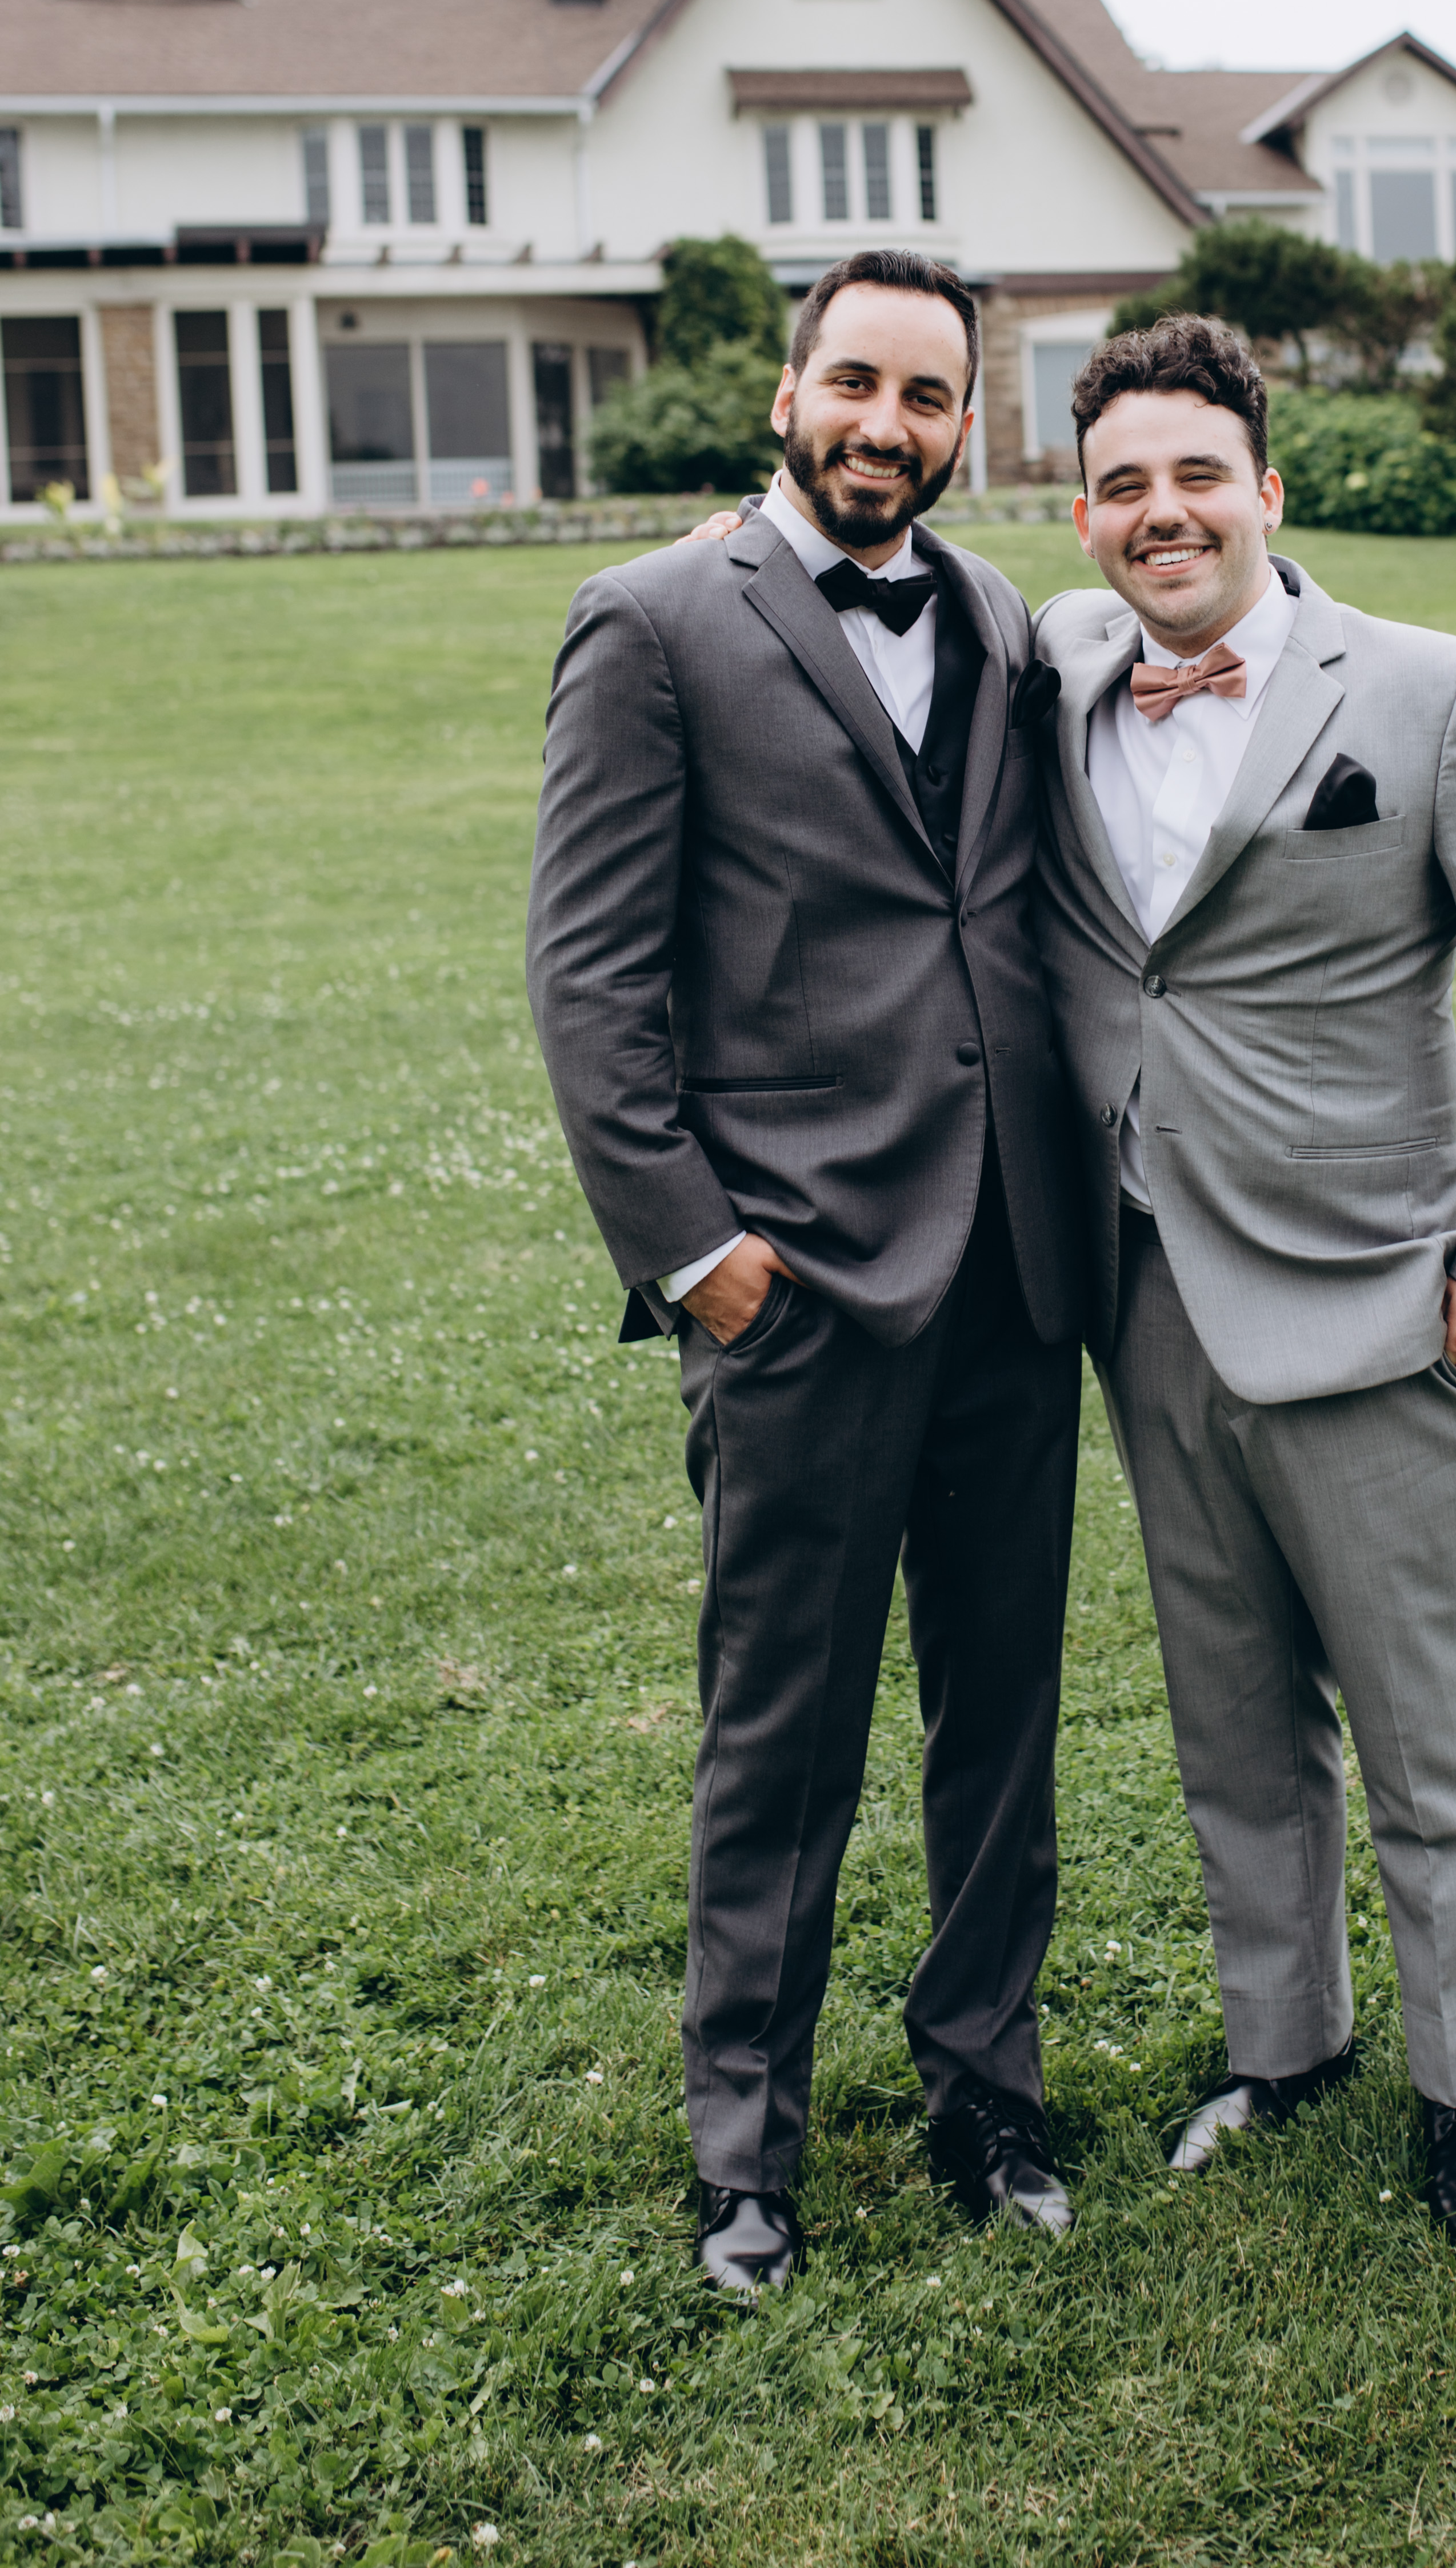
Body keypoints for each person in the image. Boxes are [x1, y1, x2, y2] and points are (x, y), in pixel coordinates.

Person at [1028, 313, 1456, 2243]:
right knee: (1229, 1713)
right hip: (1142, 1285)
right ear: (1084, 513)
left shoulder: (1439, 694)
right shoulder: (1058, 664)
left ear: (1269, 489)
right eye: (1123, 483)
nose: (1163, 511)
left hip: (1381, 1294)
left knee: (1421, 1729)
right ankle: (1280, 2044)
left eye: (1197, 474)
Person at [526, 248, 1085, 2295]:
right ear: (788, 393)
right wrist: (700, 1256)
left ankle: (986, 2088)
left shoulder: (1004, 617)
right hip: (798, 1284)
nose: (886, 424)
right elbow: (589, 979)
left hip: (1014, 1268)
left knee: (1000, 1720)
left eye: (927, 395)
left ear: (963, 422)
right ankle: (745, 2151)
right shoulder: (655, 621)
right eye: (855, 381)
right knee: (782, 1731)